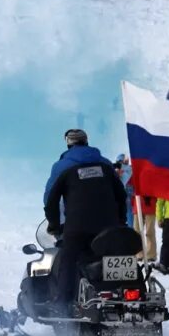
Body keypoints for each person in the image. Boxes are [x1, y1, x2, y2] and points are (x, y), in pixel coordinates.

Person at [43, 129, 127, 310]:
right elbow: (121, 195)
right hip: (109, 227)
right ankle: (124, 292)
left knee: (68, 259)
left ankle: (63, 304)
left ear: (68, 143)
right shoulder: (105, 164)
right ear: (87, 142)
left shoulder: (62, 166)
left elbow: (50, 199)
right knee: (114, 256)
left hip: (77, 226)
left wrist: (54, 225)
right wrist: (121, 221)